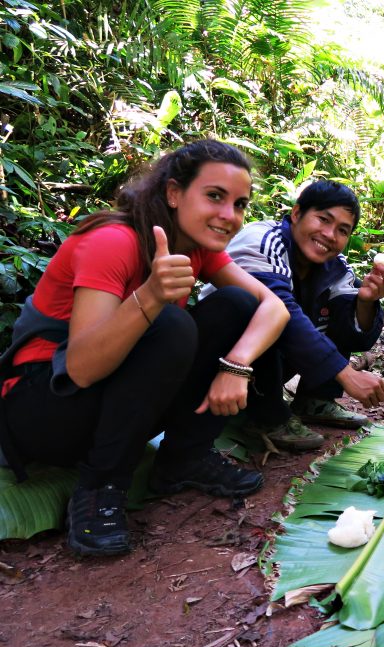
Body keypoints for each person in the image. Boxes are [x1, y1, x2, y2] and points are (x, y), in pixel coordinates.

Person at [0, 139, 289, 557]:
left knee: (236, 306)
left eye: (240, 204)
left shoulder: (196, 251)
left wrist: (237, 365)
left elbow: (272, 308)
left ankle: (183, 459)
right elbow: (80, 368)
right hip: (41, 408)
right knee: (170, 323)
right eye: (215, 196)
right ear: (173, 193)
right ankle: (100, 488)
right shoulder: (113, 241)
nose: (230, 216)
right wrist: (151, 296)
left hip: (107, 404)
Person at [202, 180, 384, 451]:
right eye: (323, 219)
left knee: (339, 307)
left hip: (264, 363)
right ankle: (267, 416)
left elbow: (353, 335)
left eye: (342, 230)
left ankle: (315, 398)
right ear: (296, 213)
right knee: (263, 310)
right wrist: (348, 375)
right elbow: (280, 311)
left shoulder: (335, 268)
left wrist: (366, 302)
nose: (329, 234)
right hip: (220, 359)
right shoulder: (263, 240)